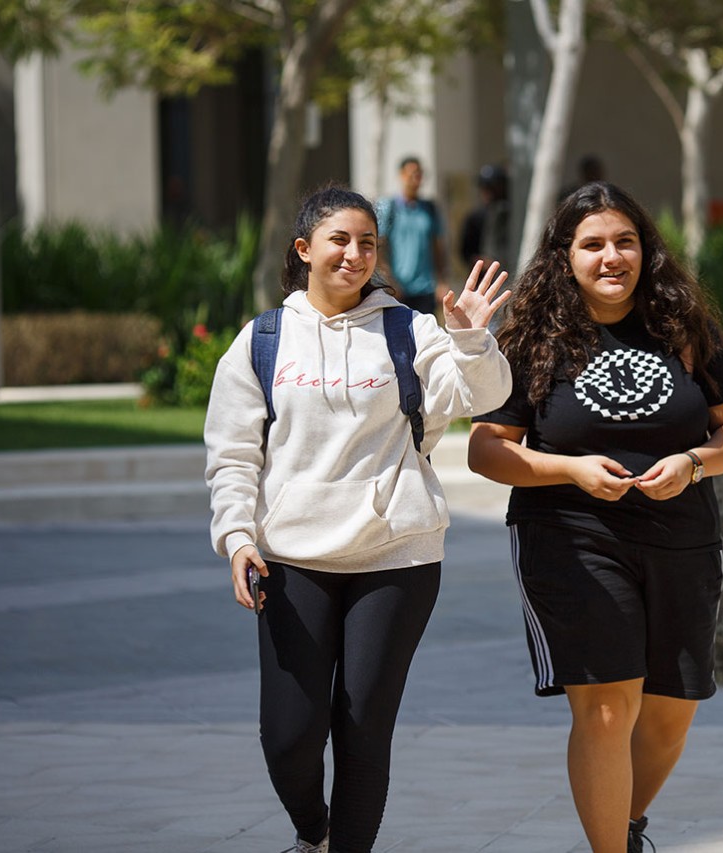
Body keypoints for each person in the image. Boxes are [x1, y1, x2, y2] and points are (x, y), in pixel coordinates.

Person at [204, 185, 512, 853]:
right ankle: (312, 833)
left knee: (363, 723)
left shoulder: (408, 328)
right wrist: (236, 539)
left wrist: (471, 339)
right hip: (291, 557)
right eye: (340, 239)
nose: (355, 253)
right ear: (305, 248)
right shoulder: (263, 338)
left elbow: (485, 395)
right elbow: (231, 453)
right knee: (288, 734)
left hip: (396, 554)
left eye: (367, 242)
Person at [467, 181, 723, 852]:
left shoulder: (684, 325)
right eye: (592, 244)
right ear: (565, 255)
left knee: (668, 718)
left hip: (682, 535)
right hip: (571, 536)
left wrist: (692, 464)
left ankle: (624, 827)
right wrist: (572, 469)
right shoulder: (534, 337)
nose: (611, 257)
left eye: (624, 241)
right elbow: (486, 448)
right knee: (603, 706)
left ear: (644, 248)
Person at [377, 156, 449, 315]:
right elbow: (379, 247)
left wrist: (441, 281)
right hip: (399, 289)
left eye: (419, 174)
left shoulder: (429, 208)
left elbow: (437, 246)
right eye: (412, 174)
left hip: (425, 288)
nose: (416, 179)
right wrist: (389, 280)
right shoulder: (389, 207)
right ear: (401, 175)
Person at [459, 164, 511, 269]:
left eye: (492, 187)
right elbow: (466, 252)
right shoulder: (475, 218)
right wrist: (481, 261)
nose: (488, 192)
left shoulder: (512, 216)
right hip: (484, 278)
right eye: (485, 187)